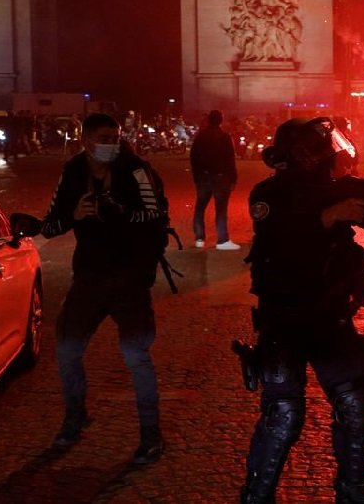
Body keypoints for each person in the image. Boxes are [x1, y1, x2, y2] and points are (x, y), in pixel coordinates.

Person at [239, 117, 364, 503]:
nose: (329, 156)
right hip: (283, 320)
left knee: (354, 403)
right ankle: (257, 495)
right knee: (284, 412)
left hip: (330, 318)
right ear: (303, 154)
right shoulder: (267, 195)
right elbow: (279, 238)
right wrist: (331, 216)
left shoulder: (336, 191)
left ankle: (352, 489)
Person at [41, 112, 168, 464]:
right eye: (104, 138)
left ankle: (151, 434)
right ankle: (75, 415)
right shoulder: (72, 172)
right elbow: (50, 226)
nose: (111, 144)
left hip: (130, 279)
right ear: (85, 140)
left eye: (115, 138)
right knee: (66, 349)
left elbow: (156, 216)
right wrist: (74, 217)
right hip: (89, 278)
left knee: (136, 356)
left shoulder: (137, 169)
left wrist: (120, 213)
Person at [191, 109, 240, 250]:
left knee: (200, 207)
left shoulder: (200, 136)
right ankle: (222, 240)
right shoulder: (225, 136)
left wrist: (197, 176)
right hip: (221, 177)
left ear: (208, 120)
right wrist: (233, 178)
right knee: (221, 210)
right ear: (221, 121)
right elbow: (230, 159)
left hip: (203, 177)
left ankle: (199, 238)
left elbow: (193, 157)